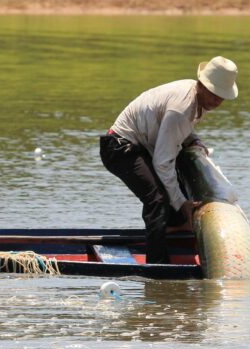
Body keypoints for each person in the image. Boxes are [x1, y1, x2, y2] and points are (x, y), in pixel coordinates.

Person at [99, 56, 239, 264]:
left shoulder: (196, 99)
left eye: (222, 96)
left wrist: (194, 140)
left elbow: (180, 132)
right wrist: (182, 204)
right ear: (201, 85)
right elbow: (163, 162)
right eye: (214, 94)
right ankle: (158, 269)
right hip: (120, 149)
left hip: (140, 146)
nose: (218, 101)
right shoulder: (182, 108)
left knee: (173, 191)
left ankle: (175, 227)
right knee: (158, 201)